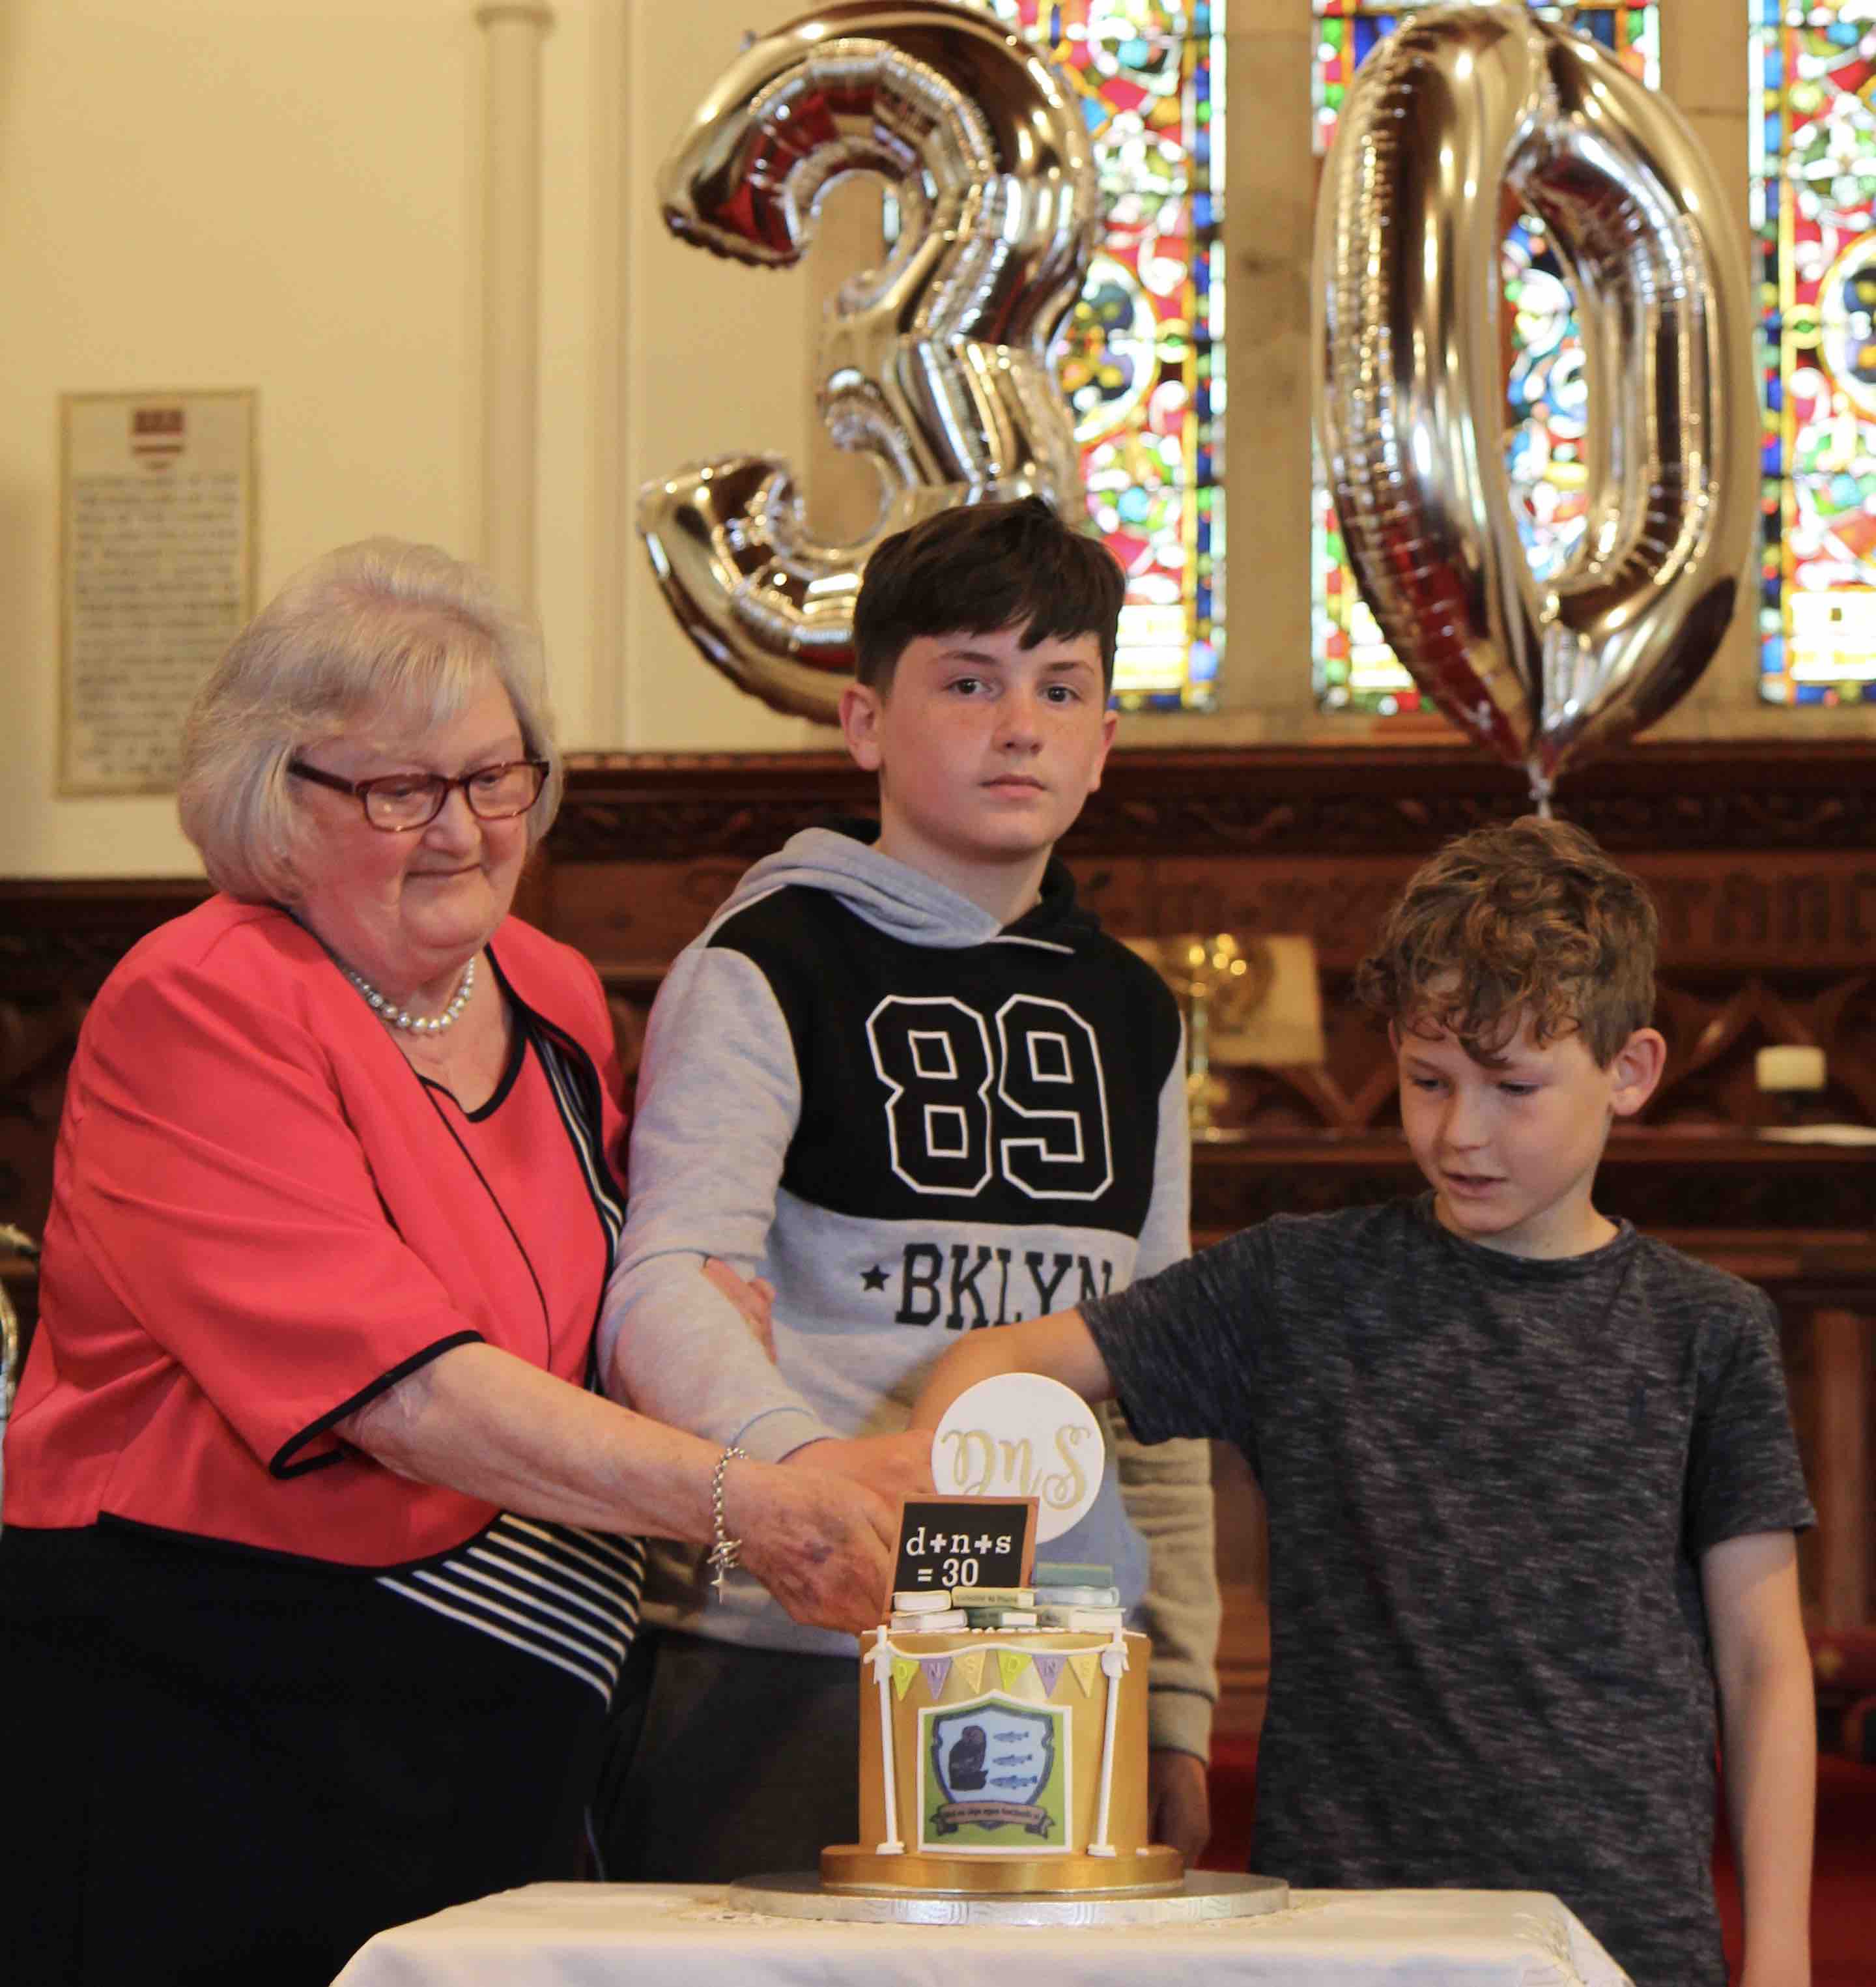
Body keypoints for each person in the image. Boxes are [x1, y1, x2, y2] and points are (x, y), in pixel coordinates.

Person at [0, 538, 920, 1987]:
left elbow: (611, 1306)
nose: (463, 828)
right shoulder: (199, 999)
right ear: (275, 801)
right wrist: (751, 1501)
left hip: (492, 1718)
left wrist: (749, 1381)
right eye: (397, 789)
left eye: (497, 776)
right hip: (211, 1715)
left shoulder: (549, 994)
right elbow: (406, 1394)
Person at [905, 816, 1817, 1987]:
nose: (1457, 1131)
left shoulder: (1708, 1331)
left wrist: (1782, 1948)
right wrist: (957, 1615)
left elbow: (1765, 1664)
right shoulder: (1301, 1284)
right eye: (1426, 1079)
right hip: (1346, 1928)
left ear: (1630, 1071)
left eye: (1512, 1086)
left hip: (1612, 1935)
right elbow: (998, 1367)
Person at [593, 496, 1221, 1878]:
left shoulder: (1135, 1013)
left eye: (1061, 688)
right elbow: (661, 1285)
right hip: (797, 1639)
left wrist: (1175, 1687)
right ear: (865, 721)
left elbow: (1160, 1372)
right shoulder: (765, 962)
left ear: (1105, 740)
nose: (1020, 725)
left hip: (1071, 1643)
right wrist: (806, 1479)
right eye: (969, 681)